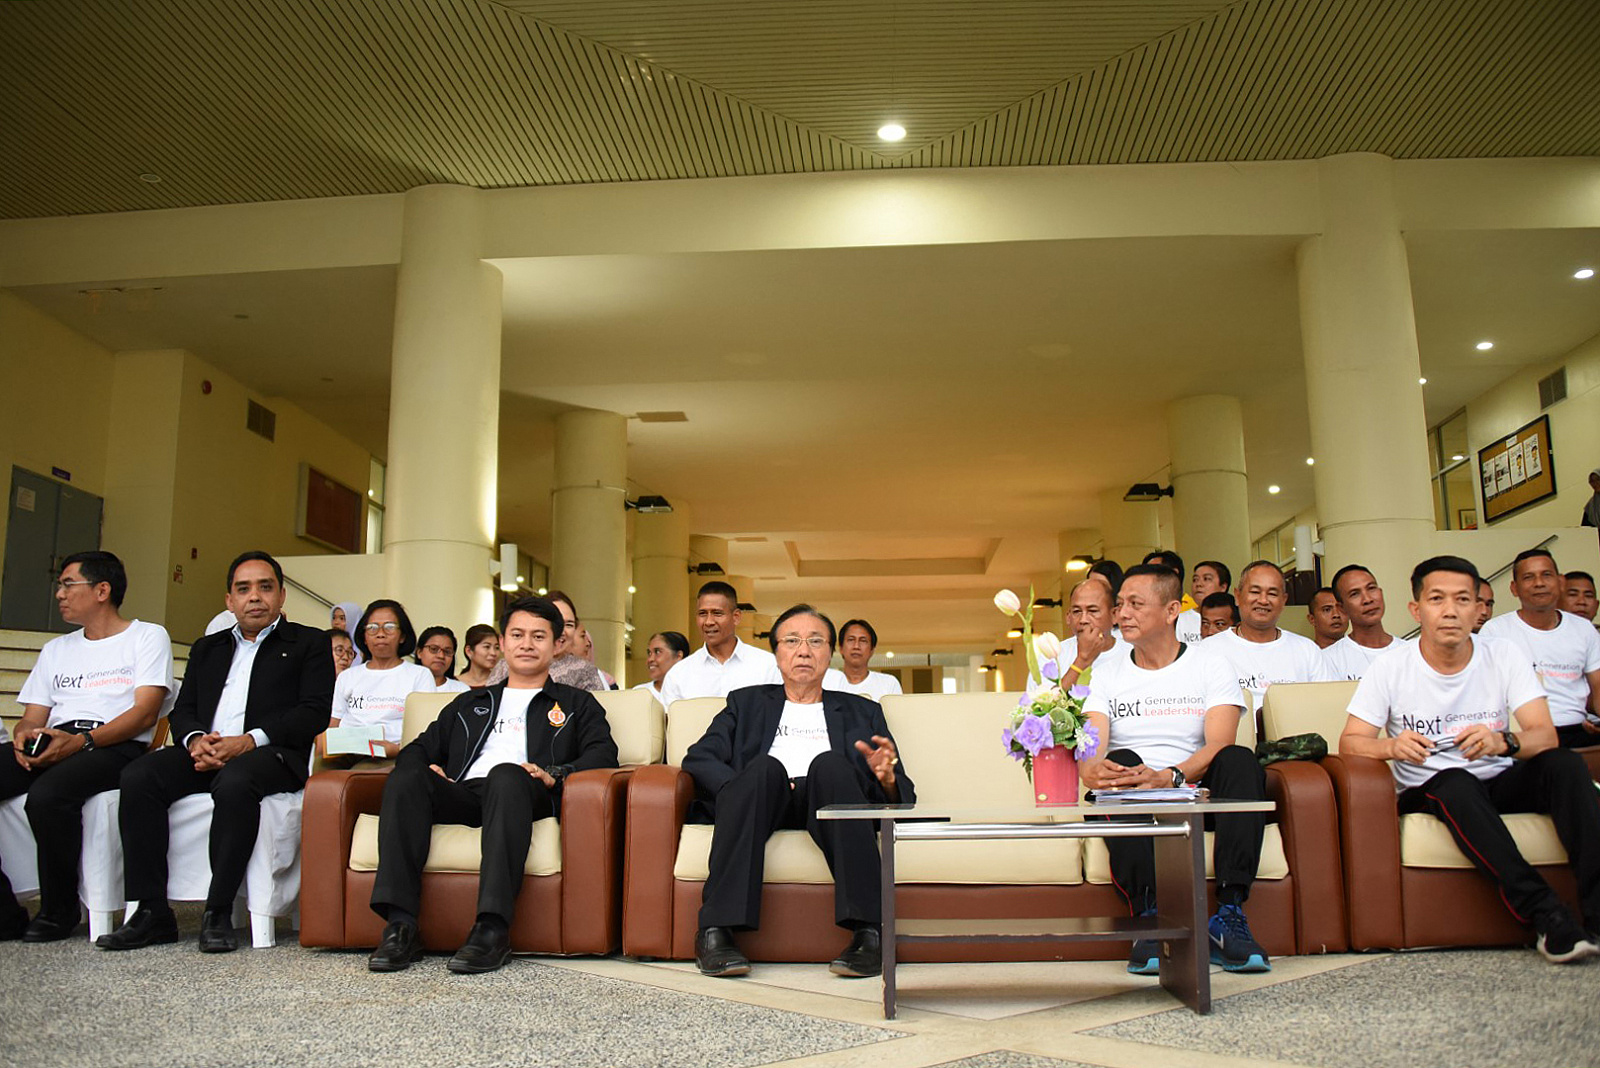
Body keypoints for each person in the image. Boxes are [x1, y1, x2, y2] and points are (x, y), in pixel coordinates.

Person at [1341, 555, 1600, 964]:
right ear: (1416, 610)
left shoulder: (1503, 654)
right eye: (1437, 599)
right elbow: (1351, 742)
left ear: (1479, 608)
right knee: (1455, 781)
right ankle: (1547, 915)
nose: (1450, 611)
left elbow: (1544, 735)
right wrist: (1391, 747)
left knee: (1564, 764)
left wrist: (1503, 741)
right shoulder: (1391, 666)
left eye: (1462, 599)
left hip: (1499, 778)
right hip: (1431, 788)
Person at [96, 551, 336, 953]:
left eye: (265, 587)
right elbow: (183, 708)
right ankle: (151, 912)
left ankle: (218, 910)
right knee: (139, 776)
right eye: (243, 589)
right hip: (205, 750)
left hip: (273, 755)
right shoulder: (208, 648)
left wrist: (248, 740)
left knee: (235, 780)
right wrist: (195, 740)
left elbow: (313, 711)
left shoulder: (308, 643)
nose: (254, 597)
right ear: (229, 600)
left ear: (281, 596)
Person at [366, 597, 618, 974]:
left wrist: (556, 772)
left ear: (556, 645)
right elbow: (417, 749)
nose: (526, 644)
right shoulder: (470, 702)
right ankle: (400, 926)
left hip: (526, 790)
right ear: (502, 643)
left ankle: (491, 928)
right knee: (407, 776)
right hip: (464, 792)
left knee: (505, 774)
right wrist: (431, 769)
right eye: (517, 635)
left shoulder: (577, 703)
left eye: (538, 636)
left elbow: (603, 753)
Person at [686, 604, 914, 980]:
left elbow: (901, 792)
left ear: (830, 653)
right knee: (763, 769)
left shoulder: (862, 711)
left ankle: (869, 933)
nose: (804, 651)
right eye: (792, 641)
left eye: (815, 641)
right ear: (776, 653)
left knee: (831, 765)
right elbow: (699, 757)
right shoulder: (746, 703)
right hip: (763, 797)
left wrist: (885, 777)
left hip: (829, 800)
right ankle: (716, 932)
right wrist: (739, 792)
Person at [1081, 564, 1270, 975]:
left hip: (1194, 789)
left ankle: (1229, 914)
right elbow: (1092, 744)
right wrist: (1091, 768)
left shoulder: (1211, 665)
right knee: (1120, 760)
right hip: (1131, 792)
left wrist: (1171, 775)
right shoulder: (1107, 673)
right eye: (1120, 605)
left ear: (1171, 612)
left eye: (1135, 604)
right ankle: (1149, 917)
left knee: (1240, 760)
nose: (1122, 614)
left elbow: (1219, 743)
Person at [0, 551, 175, 942]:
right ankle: (4, 913)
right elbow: (32, 716)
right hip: (56, 738)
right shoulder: (57, 649)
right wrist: (24, 735)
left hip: (113, 744)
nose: (59, 594)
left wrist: (82, 741)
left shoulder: (146, 636)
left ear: (102, 590)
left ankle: (59, 910)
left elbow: (145, 714)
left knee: (48, 796)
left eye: (68, 584)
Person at [1478, 549, 1600, 749]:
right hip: (1522, 735)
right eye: (1528, 577)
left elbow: (1598, 686)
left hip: (1577, 730)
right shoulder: (1495, 631)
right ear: (1514, 588)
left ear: (1560, 582)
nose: (1539, 583)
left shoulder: (1584, 629)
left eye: (1546, 575)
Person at [1206, 561, 1332, 730]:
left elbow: (1325, 709)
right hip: (1230, 742)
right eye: (1255, 592)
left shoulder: (1307, 650)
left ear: (1284, 600)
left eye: (1272, 593)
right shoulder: (1208, 650)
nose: (1263, 600)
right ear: (1237, 596)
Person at [319, 600, 435, 762]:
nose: (380, 634)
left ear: (402, 636)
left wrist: (398, 750)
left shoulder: (419, 675)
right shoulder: (348, 676)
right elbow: (334, 722)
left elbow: (425, 729)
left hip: (394, 756)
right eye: (372, 628)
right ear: (364, 637)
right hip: (344, 753)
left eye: (389, 627)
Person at [658, 581, 781, 706]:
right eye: (702, 614)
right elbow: (670, 717)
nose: (709, 622)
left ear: (736, 617)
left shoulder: (767, 666)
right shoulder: (679, 674)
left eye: (717, 613)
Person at [1323, 564, 1410, 680]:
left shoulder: (1410, 652)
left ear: (1381, 592)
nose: (1367, 599)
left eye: (1371, 588)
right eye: (1355, 594)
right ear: (1342, 608)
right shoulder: (1329, 659)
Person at [1055, 576, 1128, 679]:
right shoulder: (1054, 655)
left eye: (1093, 611)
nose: (1083, 620)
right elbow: (1045, 690)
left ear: (1114, 615)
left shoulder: (1134, 654)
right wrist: (1082, 660)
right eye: (1077, 611)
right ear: (1068, 617)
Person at [834, 620, 903, 701]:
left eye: (863, 641)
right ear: (841, 648)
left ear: (872, 650)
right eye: (851, 640)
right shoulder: (828, 683)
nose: (856, 646)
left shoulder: (888, 683)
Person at [1143, 551, 1201, 644]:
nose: (1146, 578)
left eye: (1152, 571)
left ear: (1174, 573)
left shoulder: (1198, 615)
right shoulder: (1139, 614)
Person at [633, 631, 690, 706]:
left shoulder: (693, 692)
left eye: (657, 652)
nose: (650, 659)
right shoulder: (640, 693)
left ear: (678, 656)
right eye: (649, 653)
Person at [416, 625, 468, 694]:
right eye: (434, 649)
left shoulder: (461, 690)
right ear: (419, 652)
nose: (441, 656)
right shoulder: (406, 683)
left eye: (447, 651)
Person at [457, 624, 500, 688]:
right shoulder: (453, 683)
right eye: (487, 647)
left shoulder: (502, 683)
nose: (493, 653)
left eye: (497, 648)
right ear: (469, 651)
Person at [332, 601, 364, 666]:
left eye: (342, 618)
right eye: (334, 618)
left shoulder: (363, 650)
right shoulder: (325, 641)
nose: (336, 622)